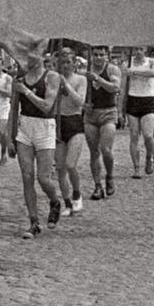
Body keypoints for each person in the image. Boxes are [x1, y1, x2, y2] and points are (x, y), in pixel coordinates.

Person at [8, 45, 61, 238]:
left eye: (32, 56)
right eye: (25, 57)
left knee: (43, 178)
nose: (28, 60)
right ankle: (33, 221)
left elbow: (47, 106)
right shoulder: (19, 80)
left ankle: (54, 200)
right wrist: (10, 138)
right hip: (25, 127)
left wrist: (27, 92)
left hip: (45, 126)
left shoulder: (52, 77)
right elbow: (13, 109)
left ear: (40, 57)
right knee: (27, 176)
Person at [83, 46, 122, 200]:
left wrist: (98, 79)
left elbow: (115, 88)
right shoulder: (85, 70)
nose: (98, 58)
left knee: (106, 149)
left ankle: (110, 176)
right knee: (94, 152)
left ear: (107, 56)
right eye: (96, 55)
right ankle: (97, 186)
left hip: (108, 112)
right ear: (91, 56)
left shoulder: (113, 70)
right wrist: (83, 104)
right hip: (91, 115)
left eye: (101, 55)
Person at [54, 48, 87, 217]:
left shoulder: (80, 79)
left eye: (68, 62)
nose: (65, 66)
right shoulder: (52, 79)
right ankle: (66, 202)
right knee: (60, 168)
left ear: (74, 63)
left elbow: (79, 102)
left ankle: (77, 193)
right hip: (58, 123)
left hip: (74, 123)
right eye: (61, 62)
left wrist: (65, 85)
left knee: (70, 164)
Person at [123, 47, 154, 178]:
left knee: (148, 135)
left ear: (145, 50)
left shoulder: (152, 61)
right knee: (134, 136)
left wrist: (135, 72)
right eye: (136, 49)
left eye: (141, 49)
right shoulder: (128, 62)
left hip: (148, 100)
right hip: (133, 99)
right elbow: (124, 82)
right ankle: (136, 167)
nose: (138, 52)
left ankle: (149, 157)